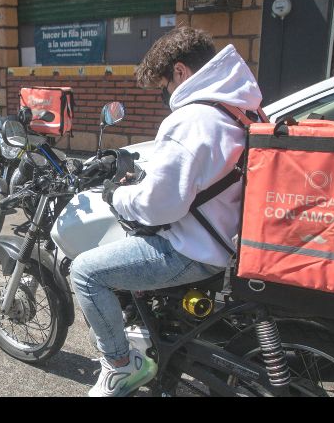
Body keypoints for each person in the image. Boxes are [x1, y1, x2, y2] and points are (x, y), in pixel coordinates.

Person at [70, 26, 264, 397]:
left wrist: (117, 196)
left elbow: (158, 207)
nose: (164, 95)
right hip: (230, 236)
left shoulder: (190, 119)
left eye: (163, 85)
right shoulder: (238, 106)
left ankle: (121, 366)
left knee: (85, 273)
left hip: (192, 250)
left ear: (180, 72)